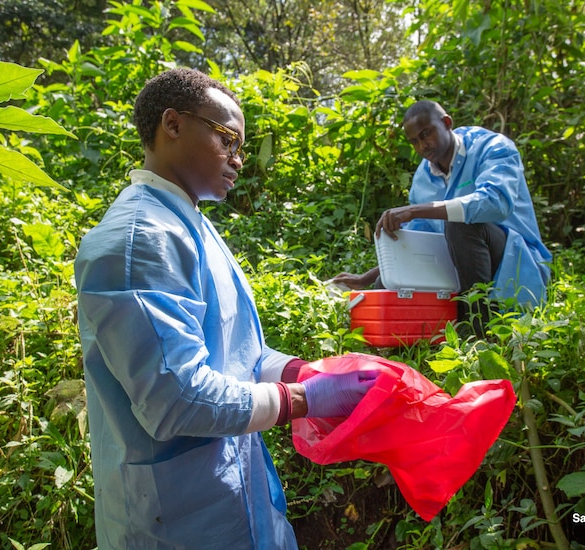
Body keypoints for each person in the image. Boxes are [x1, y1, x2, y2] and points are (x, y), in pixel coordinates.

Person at [74, 68, 378, 550]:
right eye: (228, 140)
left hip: (231, 495)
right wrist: (304, 401)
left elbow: (238, 352)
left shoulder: (190, 222)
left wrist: (303, 372)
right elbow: (177, 399)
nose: (238, 159)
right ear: (172, 125)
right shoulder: (138, 241)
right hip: (175, 519)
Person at [333, 100, 551, 335]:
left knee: (461, 226)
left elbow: (495, 202)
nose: (422, 146)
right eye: (414, 141)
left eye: (426, 134)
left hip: (515, 263)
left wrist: (416, 210)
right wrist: (367, 277)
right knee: (386, 283)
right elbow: (421, 241)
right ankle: (407, 342)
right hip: (463, 264)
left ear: (447, 123)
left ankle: (479, 332)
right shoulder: (423, 178)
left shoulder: (493, 147)